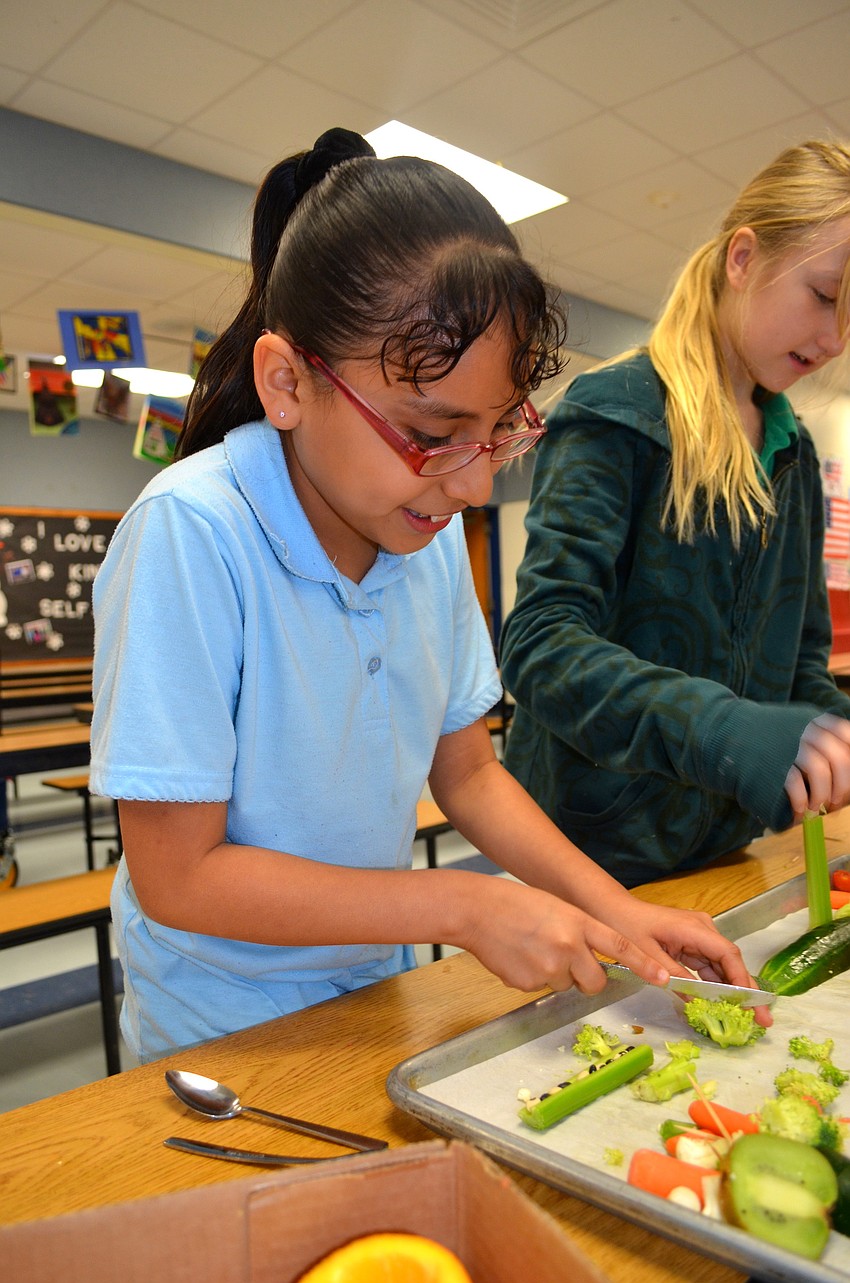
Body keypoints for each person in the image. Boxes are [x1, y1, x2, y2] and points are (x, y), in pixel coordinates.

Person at [90, 127, 763, 1063]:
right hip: (222, 1028)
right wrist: (461, 903)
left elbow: (471, 775)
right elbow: (178, 875)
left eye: (499, 432)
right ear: (288, 382)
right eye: (431, 432)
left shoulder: (425, 529)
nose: (475, 486)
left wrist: (619, 913)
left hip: (373, 989)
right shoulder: (192, 534)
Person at [500, 138, 850, 890]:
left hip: (722, 849)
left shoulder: (794, 454)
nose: (833, 339)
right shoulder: (617, 411)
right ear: (744, 258)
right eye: (824, 295)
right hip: (585, 859)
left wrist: (829, 733)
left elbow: (800, 668)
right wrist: (723, 731)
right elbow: (539, 646)